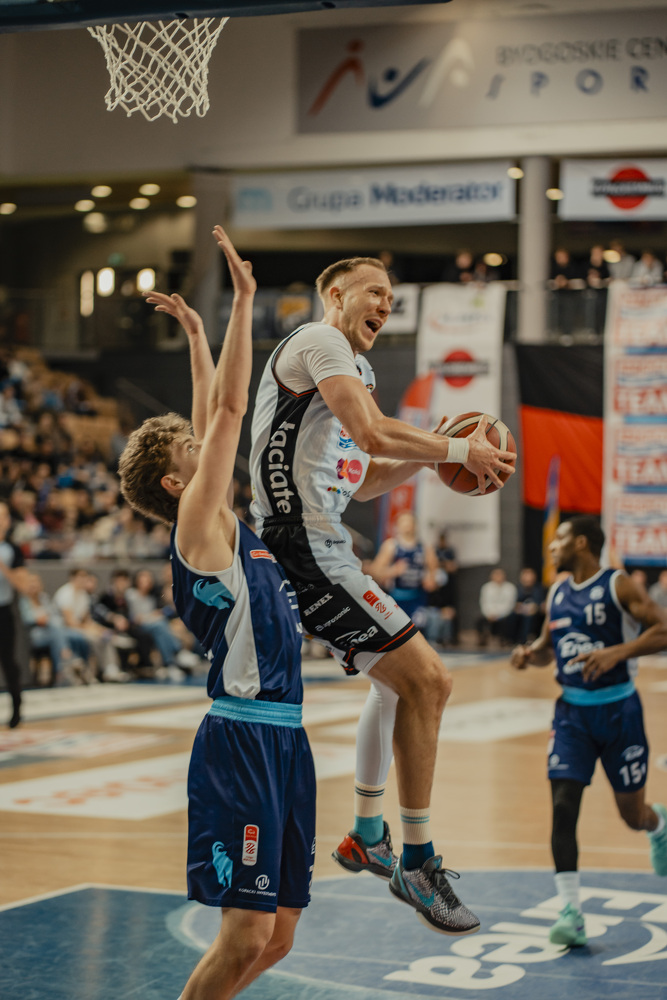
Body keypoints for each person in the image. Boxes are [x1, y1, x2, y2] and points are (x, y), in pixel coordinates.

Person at [249, 253, 515, 934]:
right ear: (336, 294)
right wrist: (456, 452)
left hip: (323, 539)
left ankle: (368, 833)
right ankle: (417, 862)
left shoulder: (354, 372)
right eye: (375, 292)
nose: (385, 305)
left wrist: (434, 456)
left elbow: (363, 476)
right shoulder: (319, 341)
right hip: (301, 542)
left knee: (395, 685)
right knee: (430, 681)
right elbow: (371, 432)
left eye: (391, 299)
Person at [118, 226, 315, 1000]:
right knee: (245, 936)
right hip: (242, 739)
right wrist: (241, 301)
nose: (205, 445)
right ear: (175, 485)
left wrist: (198, 337)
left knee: (279, 936)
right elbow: (230, 407)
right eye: (190, 450)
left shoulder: (221, 522)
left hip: (287, 736)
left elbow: (211, 410)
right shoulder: (196, 528)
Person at [511, 516, 667, 948]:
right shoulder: (557, 592)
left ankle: (657, 824)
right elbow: (548, 649)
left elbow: (663, 629)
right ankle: (571, 912)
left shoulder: (618, 585)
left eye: (559, 540)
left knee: (631, 816)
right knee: (563, 807)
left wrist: (619, 652)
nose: (551, 547)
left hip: (620, 712)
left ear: (581, 543)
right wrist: (529, 654)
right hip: (571, 717)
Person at [370, 510, 438, 622]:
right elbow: (374, 572)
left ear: (415, 526)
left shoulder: (424, 548)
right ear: (397, 526)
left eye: (410, 522)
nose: (407, 526)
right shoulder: (391, 546)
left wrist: (430, 579)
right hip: (396, 598)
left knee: (418, 627)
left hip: (417, 598)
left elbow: (434, 570)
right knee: (397, 628)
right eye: (404, 522)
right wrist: (392, 571)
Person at [0, 499, 29, 726]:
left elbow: (22, 585)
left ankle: (16, 708)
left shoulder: (12, 550)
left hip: (3, 612)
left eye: (3, 516)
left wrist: (3, 567)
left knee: (8, 661)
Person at [478, 567, 517, 647]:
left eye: (500, 575)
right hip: (489, 614)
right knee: (479, 619)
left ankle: (504, 639)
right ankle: (482, 638)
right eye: (496, 575)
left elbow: (509, 605)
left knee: (509, 619)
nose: (498, 577)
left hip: (503, 614)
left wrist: (499, 615)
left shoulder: (510, 588)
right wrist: (489, 614)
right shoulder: (486, 587)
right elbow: (484, 603)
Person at [513, 566, 545, 645]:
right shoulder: (517, 589)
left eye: (530, 575)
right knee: (512, 616)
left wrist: (536, 607)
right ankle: (513, 640)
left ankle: (526, 640)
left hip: (535, 613)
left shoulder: (539, 588)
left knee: (529, 618)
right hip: (520, 612)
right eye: (525, 575)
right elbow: (515, 604)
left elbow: (541, 604)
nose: (528, 578)